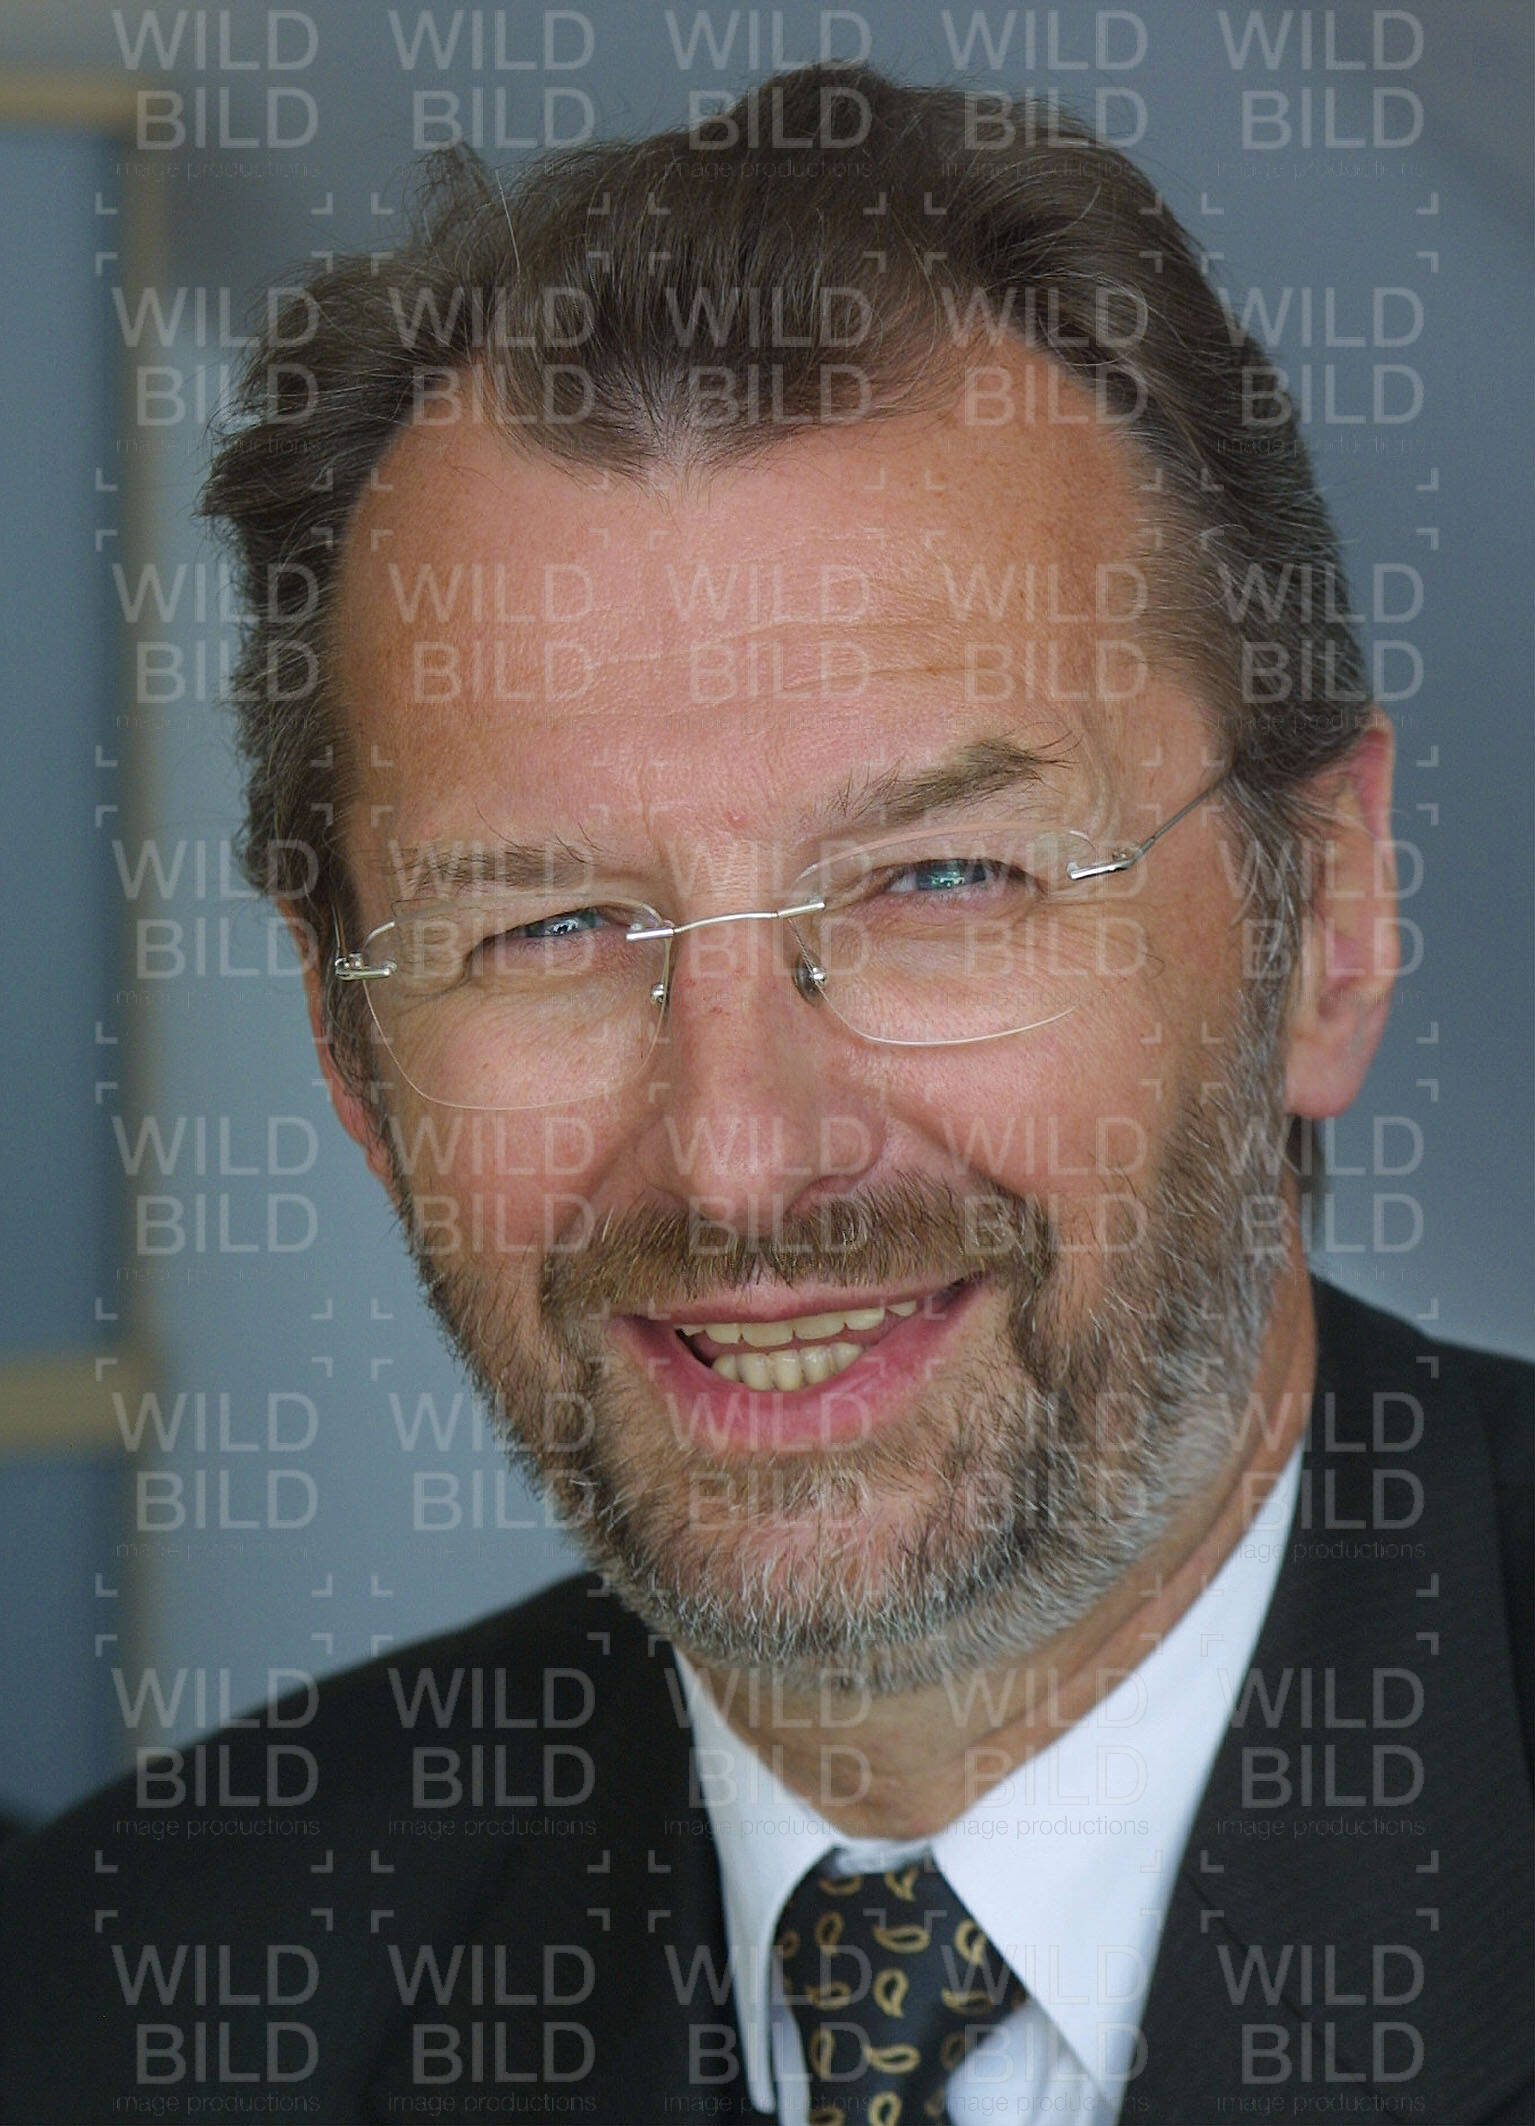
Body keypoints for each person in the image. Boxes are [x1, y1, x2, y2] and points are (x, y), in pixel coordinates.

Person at [2, 63, 1529, 2124]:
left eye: (940, 883)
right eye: (549, 926)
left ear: (1324, 919)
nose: (740, 1156)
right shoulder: (123, 1998)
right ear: (352, 1051)